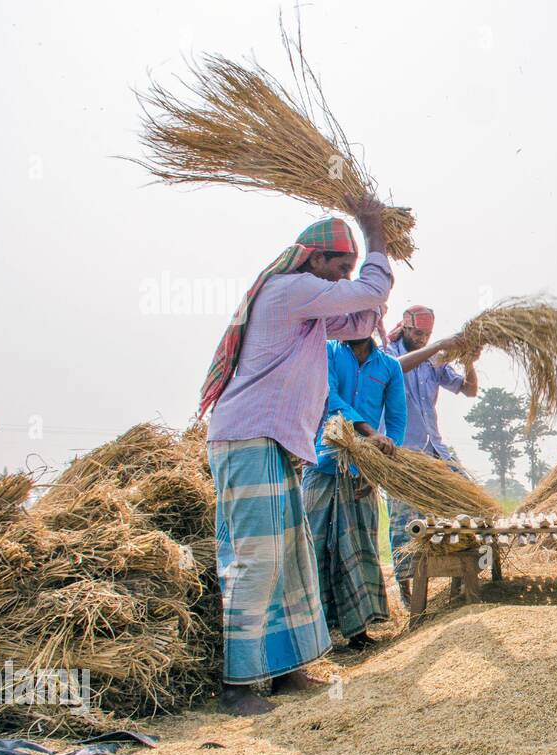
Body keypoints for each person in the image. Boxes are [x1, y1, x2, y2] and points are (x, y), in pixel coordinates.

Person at [203, 199, 393, 715]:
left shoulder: (306, 309)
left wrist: (370, 282)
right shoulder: (288, 291)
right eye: (340, 268)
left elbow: (358, 320)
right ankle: (237, 687)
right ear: (313, 260)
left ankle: (285, 675)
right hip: (249, 437)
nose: (342, 279)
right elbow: (370, 293)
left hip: (274, 442)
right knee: (257, 559)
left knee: (289, 559)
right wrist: (375, 233)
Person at [303, 335, 406, 651]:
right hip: (322, 462)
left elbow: (397, 419)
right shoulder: (329, 353)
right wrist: (370, 433)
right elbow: (329, 396)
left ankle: (358, 631)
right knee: (314, 545)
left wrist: (382, 458)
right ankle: (314, 634)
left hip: (362, 474)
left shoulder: (388, 367)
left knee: (357, 543)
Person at [382, 306, 480, 600]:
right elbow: (395, 369)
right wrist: (438, 346)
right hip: (402, 452)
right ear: (405, 328)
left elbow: (470, 390)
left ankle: (461, 575)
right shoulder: (387, 354)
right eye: (417, 333)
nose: (422, 339)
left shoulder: (434, 362)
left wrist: (469, 362)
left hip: (435, 447)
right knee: (404, 519)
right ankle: (405, 587)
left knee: (463, 502)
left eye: (427, 335)